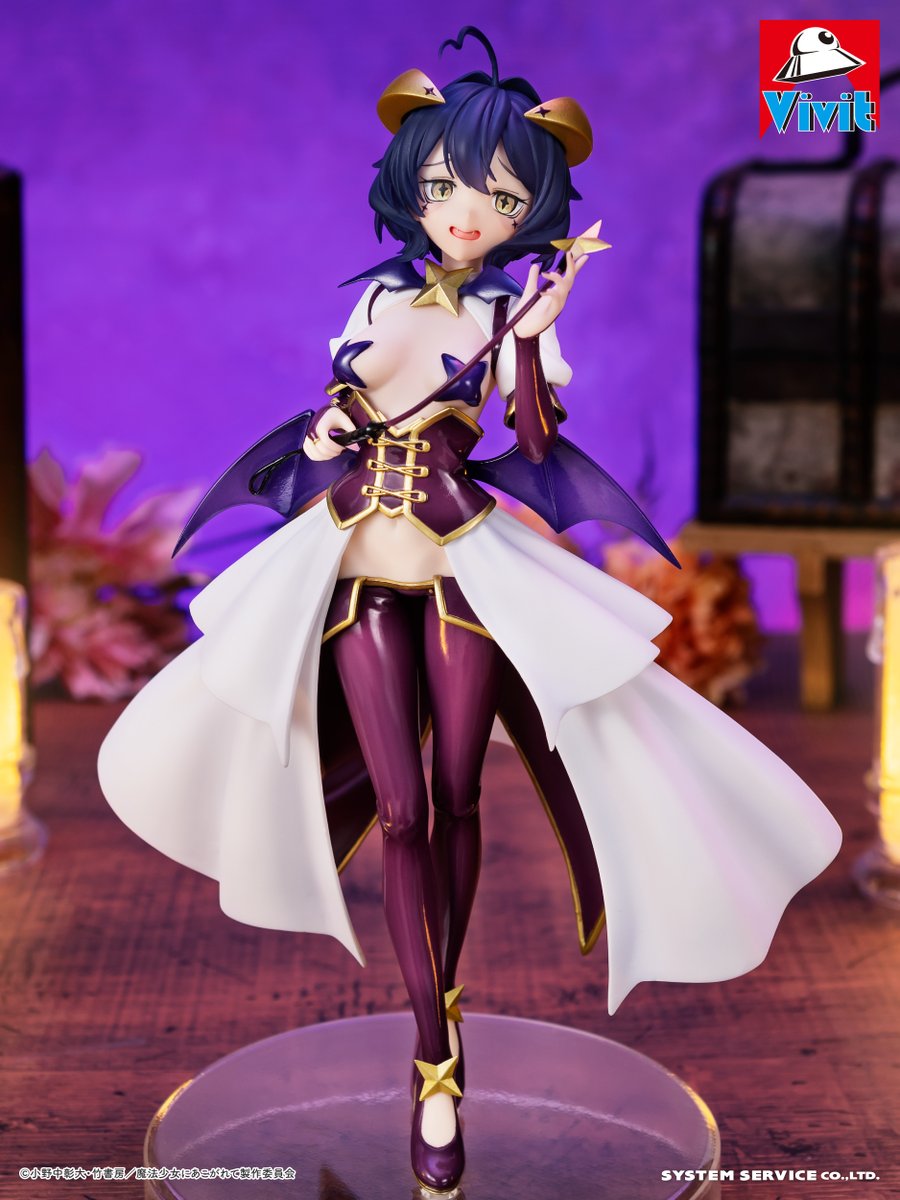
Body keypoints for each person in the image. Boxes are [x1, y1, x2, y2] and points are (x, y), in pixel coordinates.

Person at [98, 27, 842, 1196]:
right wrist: (330, 425)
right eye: (448, 186)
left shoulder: (510, 312)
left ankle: (441, 1047)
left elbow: (536, 441)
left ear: (527, 211)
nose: (468, 213)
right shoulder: (377, 299)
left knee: (457, 795)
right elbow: (330, 415)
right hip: (357, 571)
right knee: (399, 812)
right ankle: (434, 1050)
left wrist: (533, 343)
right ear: (412, 184)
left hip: (462, 571)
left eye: (499, 198)